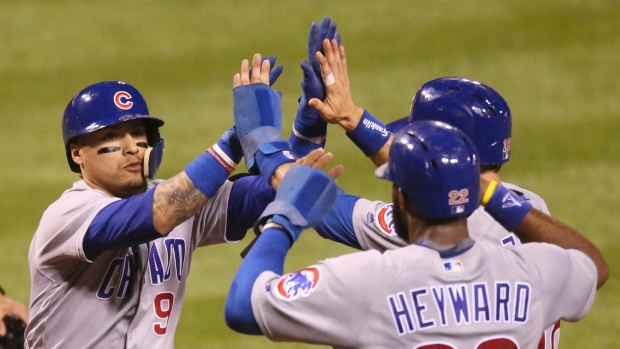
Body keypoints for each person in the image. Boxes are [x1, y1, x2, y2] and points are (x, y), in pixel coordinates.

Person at [225, 120, 608, 347]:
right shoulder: (530, 272)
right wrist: (491, 194)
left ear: (400, 197)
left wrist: (285, 220)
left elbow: (243, 306)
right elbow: (592, 265)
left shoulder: (370, 280)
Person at [300, 31, 561, 347]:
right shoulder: (533, 207)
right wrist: (352, 118)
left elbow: (320, 206)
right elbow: (427, 166)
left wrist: (299, 136)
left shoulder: (442, 223)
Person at [25, 78, 285, 348]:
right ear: (77, 153)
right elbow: (158, 213)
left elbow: (281, 189)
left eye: (138, 132)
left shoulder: (187, 200)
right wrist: (232, 144)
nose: (132, 147)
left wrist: (304, 127)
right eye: (111, 136)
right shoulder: (68, 214)